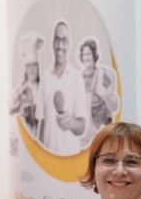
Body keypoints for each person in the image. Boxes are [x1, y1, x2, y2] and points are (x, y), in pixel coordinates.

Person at [37, 21, 88, 154]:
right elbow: (42, 123)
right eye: (57, 40)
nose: (60, 46)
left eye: (64, 40)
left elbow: (82, 127)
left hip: (69, 158)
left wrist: (71, 122)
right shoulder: (45, 79)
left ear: (69, 44)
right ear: (53, 43)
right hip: (47, 158)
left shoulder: (77, 79)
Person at [78, 38, 119, 146]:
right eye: (84, 54)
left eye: (89, 54)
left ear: (94, 55)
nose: (86, 57)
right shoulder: (78, 77)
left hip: (101, 135)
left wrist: (104, 95)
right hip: (84, 137)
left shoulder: (104, 75)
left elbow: (114, 107)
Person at [10, 31, 43, 137]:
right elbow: (10, 110)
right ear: (25, 68)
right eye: (29, 66)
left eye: (34, 65)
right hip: (25, 135)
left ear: (38, 67)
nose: (32, 69)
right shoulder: (21, 89)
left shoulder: (43, 87)